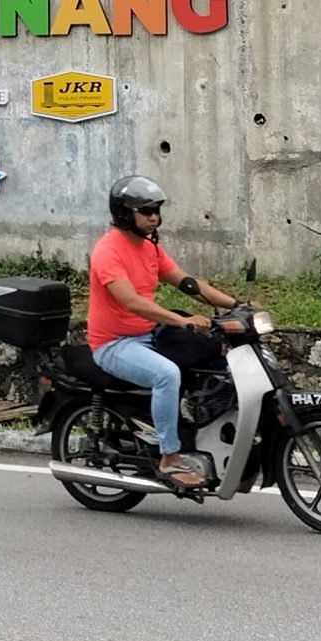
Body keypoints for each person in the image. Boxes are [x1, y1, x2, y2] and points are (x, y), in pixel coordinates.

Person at [87, 174, 236, 488]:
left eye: (156, 210)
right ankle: (170, 457)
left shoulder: (149, 248)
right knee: (166, 374)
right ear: (125, 213)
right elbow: (132, 302)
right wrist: (180, 320)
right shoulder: (108, 251)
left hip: (147, 335)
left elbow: (188, 283)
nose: (154, 217)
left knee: (211, 352)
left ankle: (194, 432)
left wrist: (238, 305)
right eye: (146, 211)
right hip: (114, 344)